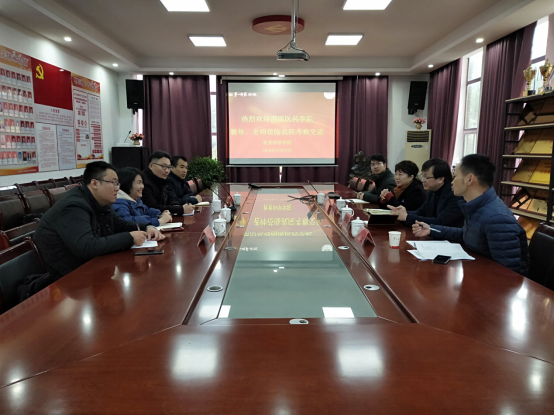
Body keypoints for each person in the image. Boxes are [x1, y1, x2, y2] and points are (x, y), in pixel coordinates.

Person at [33, 161, 164, 279]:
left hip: (91, 268)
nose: (117, 188)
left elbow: (120, 224)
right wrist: (129, 238)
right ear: (94, 183)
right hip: (67, 278)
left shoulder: (100, 201)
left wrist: (146, 227)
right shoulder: (73, 206)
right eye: (113, 183)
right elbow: (86, 247)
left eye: (117, 183)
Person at [412, 154, 529, 276]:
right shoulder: (476, 205)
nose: (452, 182)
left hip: (489, 282)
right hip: (476, 273)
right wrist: (431, 230)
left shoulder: (497, 218)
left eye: (455, 177)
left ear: (469, 179)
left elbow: (507, 274)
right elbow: (467, 234)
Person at [387, 158, 464, 227]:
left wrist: (407, 217)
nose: (422, 180)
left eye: (426, 177)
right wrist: (401, 213)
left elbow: (440, 222)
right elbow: (420, 212)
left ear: (440, 179)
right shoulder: (432, 191)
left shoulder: (455, 195)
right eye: (422, 176)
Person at [142, 151, 194, 216]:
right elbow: (153, 206)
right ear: (151, 166)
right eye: (164, 166)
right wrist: (181, 209)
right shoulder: (143, 182)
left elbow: (170, 198)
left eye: (169, 167)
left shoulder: (161, 179)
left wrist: (176, 206)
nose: (167, 171)